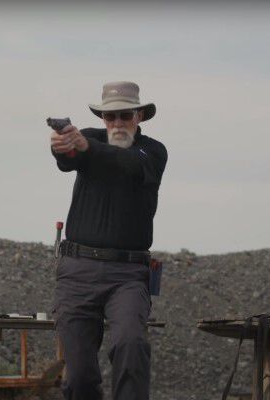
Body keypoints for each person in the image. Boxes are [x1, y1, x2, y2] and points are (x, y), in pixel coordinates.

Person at [50, 81, 168, 400]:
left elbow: (125, 163)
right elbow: (68, 159)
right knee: (79, 377)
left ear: (139, 115)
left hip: (127, 275)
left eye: (125, 115)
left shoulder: (152, 151)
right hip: (77, 272)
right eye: (110, 116)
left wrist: (85, 148)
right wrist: (62, 145)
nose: (117, 123)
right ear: (102, 118)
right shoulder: (89, 139)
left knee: (131, 344)